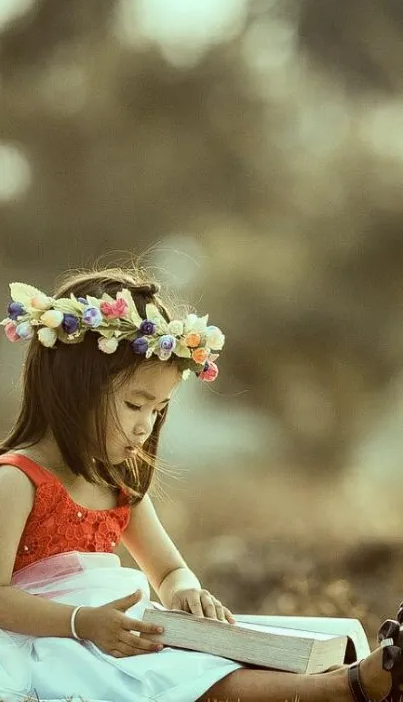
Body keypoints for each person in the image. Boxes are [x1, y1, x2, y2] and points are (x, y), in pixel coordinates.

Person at [0, 266, 401, 702]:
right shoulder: (17, 481)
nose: (145, 426)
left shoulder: (118, 483)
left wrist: (186, 592)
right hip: (50, 643)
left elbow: (168, 569)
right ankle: (343, 688)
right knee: (168, 673)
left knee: (219, 650)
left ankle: (348, 677)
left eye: (158, 410)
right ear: (70, 391)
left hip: (118, 632)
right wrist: (82, 622)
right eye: (136, 404)